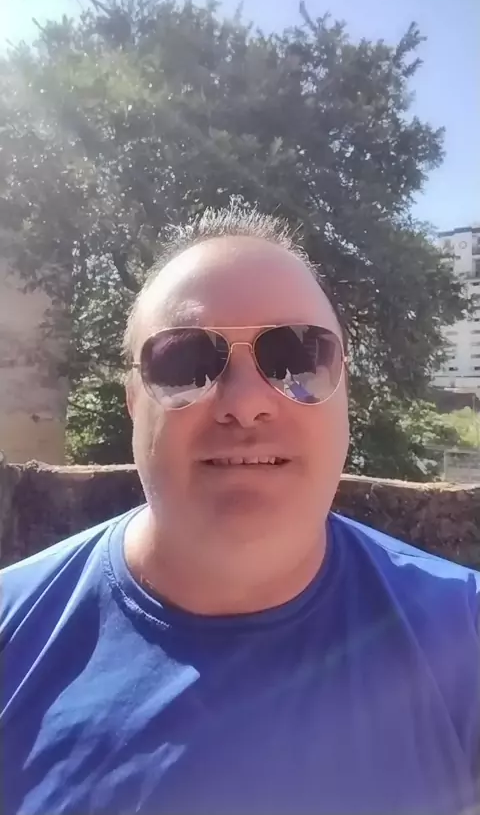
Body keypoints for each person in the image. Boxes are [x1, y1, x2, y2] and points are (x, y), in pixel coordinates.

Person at [1, 206, 479, 815]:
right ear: (133, 402)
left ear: (346, 394)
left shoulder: (465, 637)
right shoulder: (12, 636)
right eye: (184, 362)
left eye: (298, 358)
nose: (246, 403)